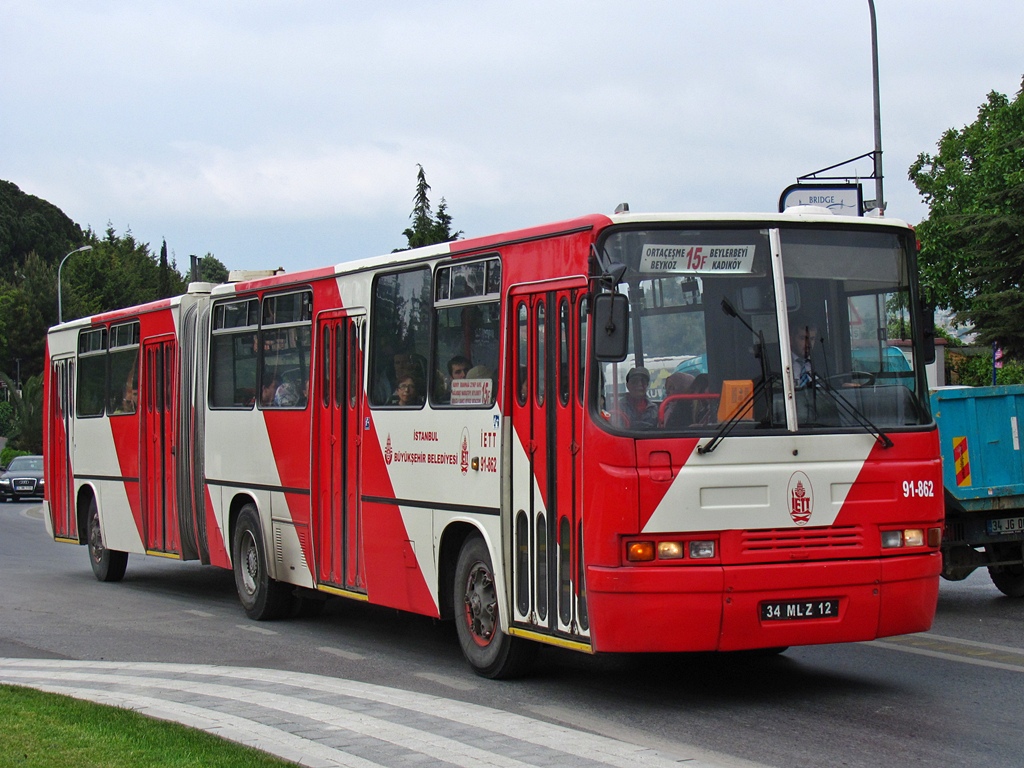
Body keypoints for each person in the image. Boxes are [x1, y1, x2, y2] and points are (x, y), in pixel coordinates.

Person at [791, 322, 819, 388]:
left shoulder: (825, 363)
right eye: (802, 338)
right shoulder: (779, 364)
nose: (808, 344)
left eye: (812, 339)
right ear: (791, 339)